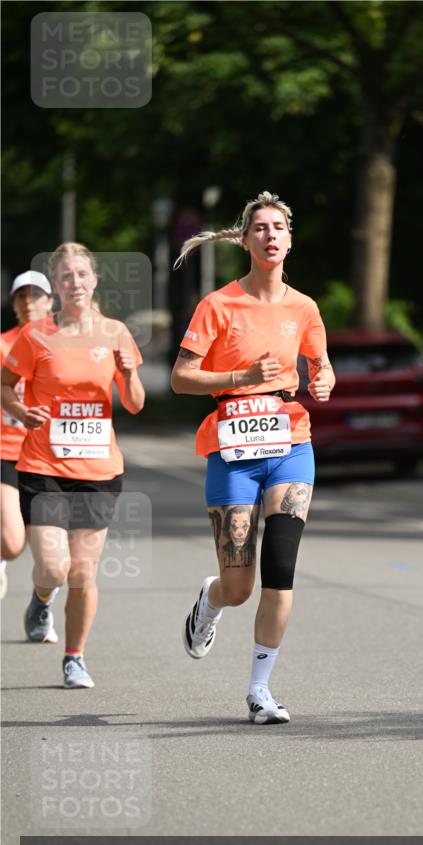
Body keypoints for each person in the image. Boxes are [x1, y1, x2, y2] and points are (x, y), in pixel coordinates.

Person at [171, 190, 335, 724]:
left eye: (278, 228)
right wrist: (241, 377)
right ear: (245, 240)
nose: (270, 236)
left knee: (281, 570)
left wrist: (326, 378)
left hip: (291, 444)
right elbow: (180, 378)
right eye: (260, 228)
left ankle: (260, 690)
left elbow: (320, 365)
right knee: (239, 586)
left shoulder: (304, 307)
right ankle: (211, 599)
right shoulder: (218, 305)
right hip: (233, 449)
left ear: (290, 239)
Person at [0, 242, 145, 687]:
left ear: (94, 279)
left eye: (82, 274)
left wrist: (130, 374)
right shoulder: (35, 335)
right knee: (53, 567)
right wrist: (23, 413)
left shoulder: (116, 332)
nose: (75, 283)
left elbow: (135, 405)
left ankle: (74, 657)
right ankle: (42, 597)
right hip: (44, 466)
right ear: (56, 286)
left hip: (99, 471)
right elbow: (5, 386)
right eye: (66, 277)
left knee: (82, 572)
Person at [1, 271, 54, 601]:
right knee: (11, 541)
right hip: (6, 449)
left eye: (35, 295)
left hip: (48, 455)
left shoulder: (62, 346)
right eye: (21, 295)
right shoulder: (3, 344)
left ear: (50, 302)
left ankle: (43, 602)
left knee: (50, 554)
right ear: (13, 303)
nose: (28, 301)